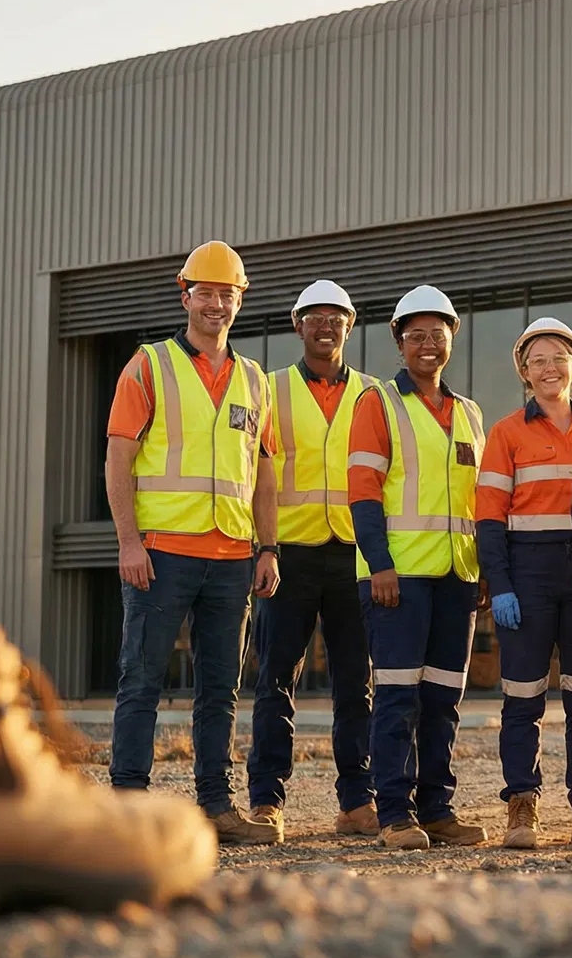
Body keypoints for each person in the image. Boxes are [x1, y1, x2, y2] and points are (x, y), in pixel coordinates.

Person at [104, 240, 282, 845]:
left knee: (219, 690)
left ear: (239, 301)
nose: (215, 304)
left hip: (233, 559)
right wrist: (129, 542)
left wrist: (269, 548)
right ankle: (128, 809)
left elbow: (263, 473)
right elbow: (118, 459)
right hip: (162, 554)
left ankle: (216, 807)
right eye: (204, 292)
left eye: (226, 294)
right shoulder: (148, 366)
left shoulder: (255, 381)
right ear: (185, 296)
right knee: (142, 680)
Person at [346, 285, 489, 851]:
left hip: (457, 579)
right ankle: (395, 815)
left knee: (443, 700)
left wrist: (481, 572)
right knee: (398, 698)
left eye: (438, 334)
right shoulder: (378, 402)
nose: (428, 345)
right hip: (397, 580)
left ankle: (437, 809)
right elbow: (362, 491)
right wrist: (379, 565)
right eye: (417, 336)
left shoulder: (469, 413)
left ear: (452, 339)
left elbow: (476, 501)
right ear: (400, 343)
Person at [245, 280, 386, 842]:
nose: (326, 326)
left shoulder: (374, 394)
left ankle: (358, 800)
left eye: (337, 318)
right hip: (289, 556)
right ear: (297, 325)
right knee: (276, 680)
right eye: (315, 317)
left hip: (354, 556)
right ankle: (266, 802)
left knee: (358, 682)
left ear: (350, 327)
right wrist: (264, 546)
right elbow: (256, 472)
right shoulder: (270, 389)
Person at [475, 318, 572, 850]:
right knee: (522, 699)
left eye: (559, 357)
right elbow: (489, 517)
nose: (549, 367)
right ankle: (522, 806)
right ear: (524, 372)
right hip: (528, 573)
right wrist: (502, 583)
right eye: (538, 360)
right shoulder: (506, 433)